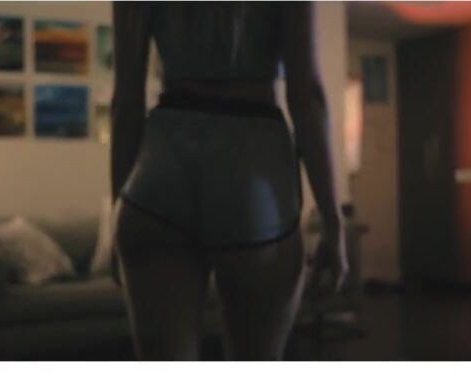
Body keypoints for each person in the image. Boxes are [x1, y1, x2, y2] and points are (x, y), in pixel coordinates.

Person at [111, 2, 348, 360]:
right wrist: (332, 219)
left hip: (157, 175)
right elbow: (307, 96)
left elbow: (126, 103)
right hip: (253, 172)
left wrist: (118, 204)